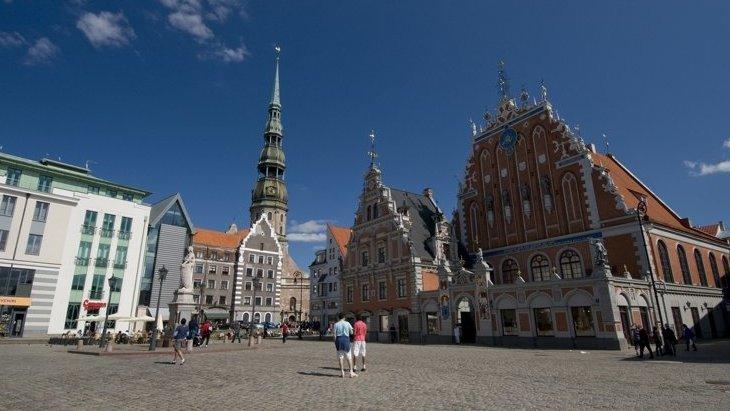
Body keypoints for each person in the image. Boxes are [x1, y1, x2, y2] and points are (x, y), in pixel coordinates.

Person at [333, 313, 357, 379]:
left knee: (340, 357)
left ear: (339, 317)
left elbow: (334, 335)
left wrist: (335, 342)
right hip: (346, 339)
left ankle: (342, 372)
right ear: (344, 317)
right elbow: (351, 333)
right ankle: (351, 372)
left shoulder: (336, 324)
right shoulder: (347, 323)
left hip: (339, 339)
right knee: (348, 356)